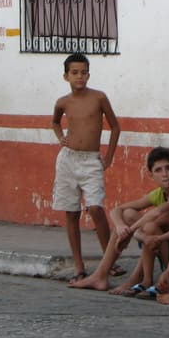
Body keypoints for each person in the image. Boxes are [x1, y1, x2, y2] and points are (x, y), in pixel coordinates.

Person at [52, 53, 121, 281]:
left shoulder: (99, 98)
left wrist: (109, 157)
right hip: (68, 160)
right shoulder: (63, 102)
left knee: (95, 208)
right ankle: (79, 267)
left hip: (91, 160)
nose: (79, 77)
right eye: (74, 73)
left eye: (83, 72)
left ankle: (109, 261)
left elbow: (115, 127)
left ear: (88, 74)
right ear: (66, 76)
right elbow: (55, 121)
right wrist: (61, 136)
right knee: (71, 212)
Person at [69, 170, 169, 293]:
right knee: (149, 228)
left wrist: (159, 239)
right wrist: (131, 233)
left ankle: (162, 280)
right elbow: (151, 215)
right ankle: (146, 280)